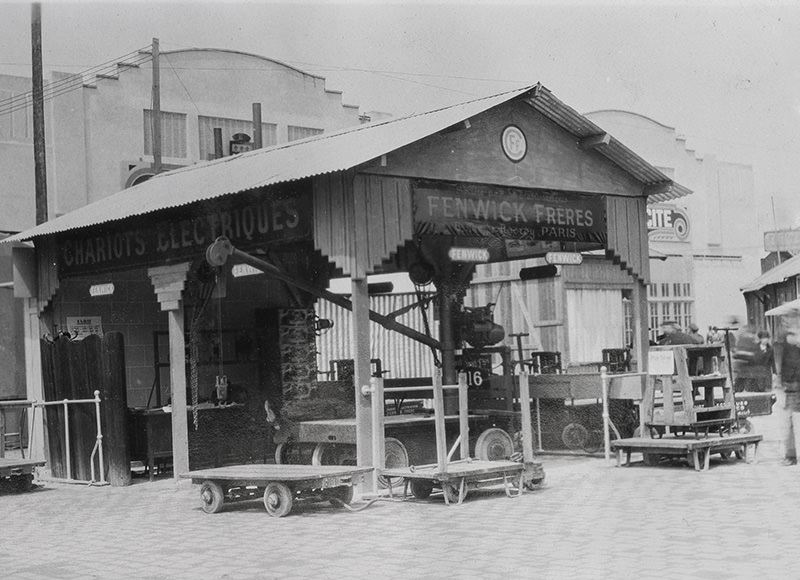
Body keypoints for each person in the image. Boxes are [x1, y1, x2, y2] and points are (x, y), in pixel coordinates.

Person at [773, 314, 800, 466]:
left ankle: (791, 456)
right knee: (788, 422)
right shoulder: (784, 342)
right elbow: (780, 364)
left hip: (794, 385)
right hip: (790, 387)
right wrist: (780, 381)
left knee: (790, 422)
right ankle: (791, 456)